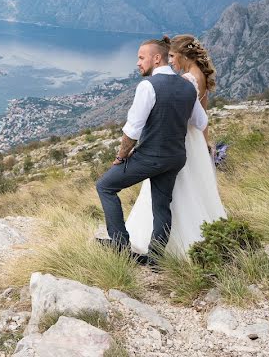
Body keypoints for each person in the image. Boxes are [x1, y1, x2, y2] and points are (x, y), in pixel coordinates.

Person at [95, 36, 208, 264]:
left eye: (141, 57)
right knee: (161, 205)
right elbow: (201, 121)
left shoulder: (148, 86)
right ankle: (155, 259)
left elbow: (133, 129)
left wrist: (121, 156)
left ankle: (120, 246)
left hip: (151, 157)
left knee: (105, 186)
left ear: (157, 59)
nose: (138, 63)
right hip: (175, 157)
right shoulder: (187, 86)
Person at [124, 34, 227, 258]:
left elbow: (190, 117)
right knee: (191, 189)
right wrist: (205, 143)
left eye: (172, 56)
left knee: (173, 192)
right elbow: (203, 119)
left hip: (179, 140)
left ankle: (171, 244)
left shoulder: (188, 80)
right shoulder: (199, 77)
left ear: (183, 55)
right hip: (194, 141)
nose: (170, 61)